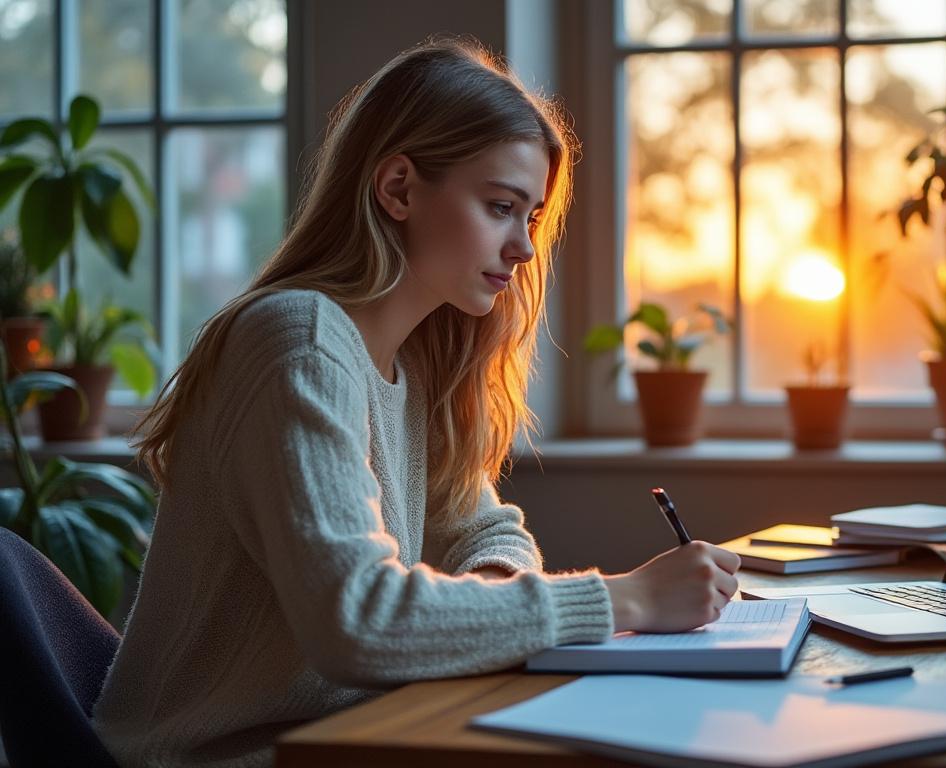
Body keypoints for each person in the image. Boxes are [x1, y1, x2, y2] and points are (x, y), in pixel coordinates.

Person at [92, 38, 741, 768]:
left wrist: (494, 600)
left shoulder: (415, 366)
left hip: (354, 737)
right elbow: (358, 622)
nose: (524, 250)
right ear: (398, 188)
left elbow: (487, 528)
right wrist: (628, 600)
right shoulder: (299, 343)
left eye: (530, 218)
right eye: (500, 206)